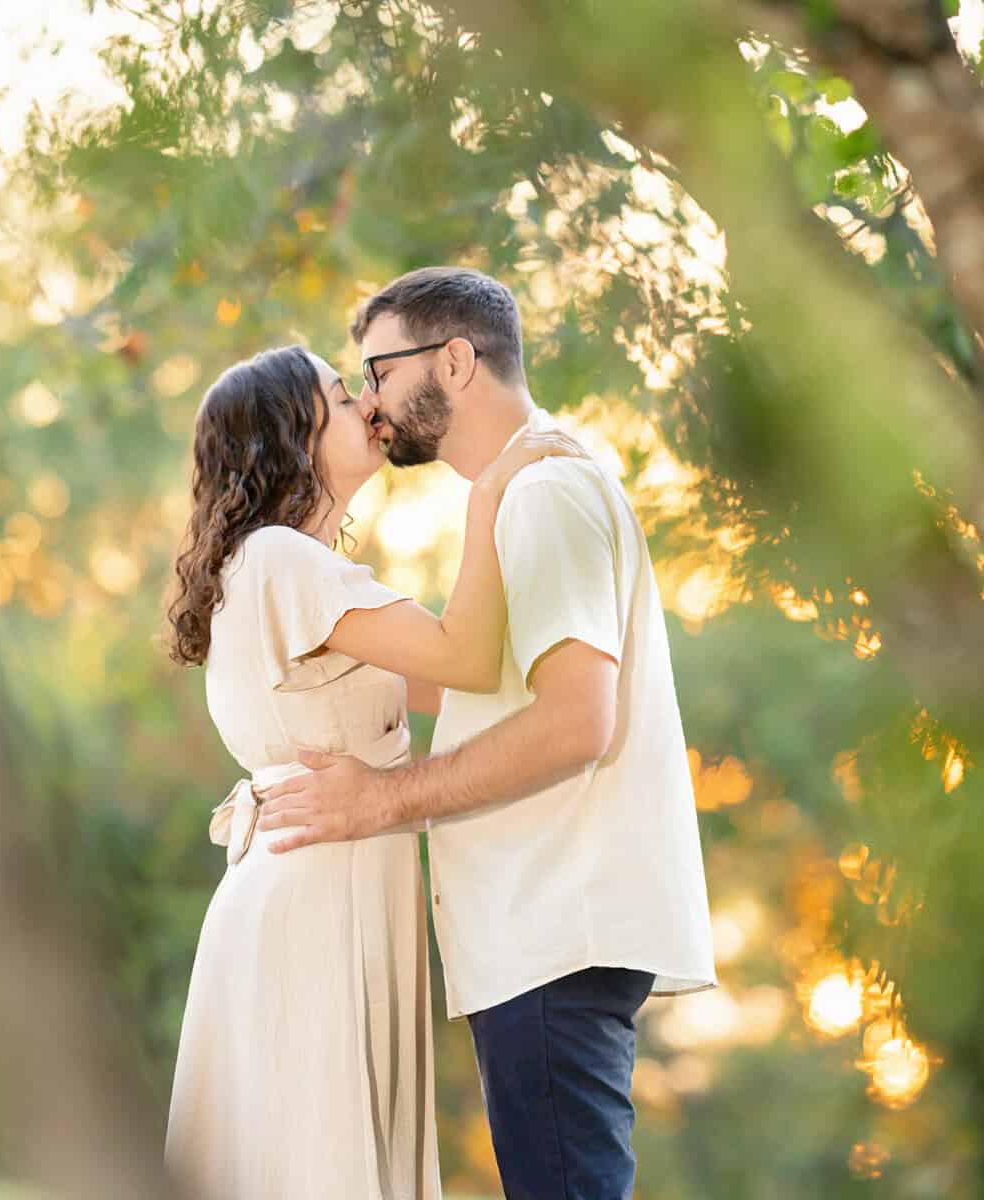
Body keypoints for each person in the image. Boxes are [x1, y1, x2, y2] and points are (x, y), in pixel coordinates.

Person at [255, 267, 718, 1199]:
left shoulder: (544, 494)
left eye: (378, 371)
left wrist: (381, 799)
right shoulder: (521, 497)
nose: (373, 405)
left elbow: (577, 720)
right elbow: (486, 678)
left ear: (456, 360)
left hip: (558, 927)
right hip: (542, 932)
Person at [161, 343, 584, 1200]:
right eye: (340, 392)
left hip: (326, 878)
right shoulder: (283, 561)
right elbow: (465, 656)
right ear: (296, 433)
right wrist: (493, 488)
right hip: (320, 891)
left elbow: (476, 676)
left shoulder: (290, 570)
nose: (367, 404)